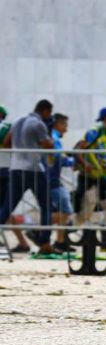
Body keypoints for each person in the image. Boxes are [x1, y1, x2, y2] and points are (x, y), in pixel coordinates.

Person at [0, 100, 56, 254]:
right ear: (45, 111)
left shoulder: (18, 120)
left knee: (7, 207)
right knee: (46, 206)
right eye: (49, 113)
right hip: (34, 169)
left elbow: (6, 142)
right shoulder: (38, 124)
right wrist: (49, 139)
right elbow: (47, 145)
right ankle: (45, 243)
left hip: (16, 168)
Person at [72, 111, 106, 223]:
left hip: (102, 177)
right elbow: (77, 151)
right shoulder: (94, 133)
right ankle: (69, 228)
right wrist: (84, 164)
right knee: (87, 208)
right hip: (88, 177)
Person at [0, 106, 32, 253]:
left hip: (3, 171)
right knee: (5, 210)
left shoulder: (5, 127)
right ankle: (23, 243)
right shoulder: (9, 127)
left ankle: (23, 242)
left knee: (4, 210)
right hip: (7, 170)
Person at [47, 113, 75, 252]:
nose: (66, 129)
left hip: (52, 179)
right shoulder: (54, 138)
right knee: (66, 210)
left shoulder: (53, 137)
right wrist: (76, 161)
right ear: (57, 124)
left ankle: (60, 241)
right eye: (64, 125)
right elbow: (59, 158)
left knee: (62, 210)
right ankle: (39, 227)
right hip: (52, 180)